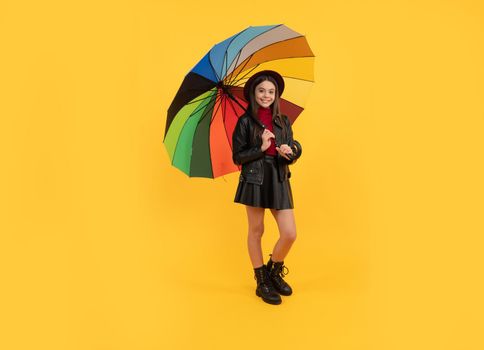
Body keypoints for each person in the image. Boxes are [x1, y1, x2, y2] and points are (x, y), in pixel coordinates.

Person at [232, 70, 303, 305]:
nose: (266, 95)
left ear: (277, 94)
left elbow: (293, 147)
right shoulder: (244, 122)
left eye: (271, 91)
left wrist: (289, 152)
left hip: (278, 176)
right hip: (254, 178)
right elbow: (237, 157)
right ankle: (261, 280)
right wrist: (261, 147)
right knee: (256, 230)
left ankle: (274, 270)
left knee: (289, 233)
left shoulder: (283, 121)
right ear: (254, 93)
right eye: (261, 90)